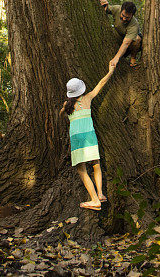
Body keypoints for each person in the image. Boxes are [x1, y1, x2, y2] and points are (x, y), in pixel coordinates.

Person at [59, 61, 115, 211]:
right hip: (90, 136)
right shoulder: (87, 98)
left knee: (82, 170)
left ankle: (94, 200)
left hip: (77, 139)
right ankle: (101, 193)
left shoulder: (67, 105)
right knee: (96, 164)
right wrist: (110, 71)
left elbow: (60, 114)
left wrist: (65, 110)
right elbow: (101, 84)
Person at [100, 0, 142, 67]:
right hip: (118, 35)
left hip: (129, 42)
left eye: (127, 17)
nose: (124, 19)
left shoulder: (134, 25)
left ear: (132, 16)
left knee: (137, 39)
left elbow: (126, 43)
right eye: (123, 15)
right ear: (121, 10)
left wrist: (116, 58)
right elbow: (106, 8)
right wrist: (103, 2)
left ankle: (133, 58)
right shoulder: (117, 8)